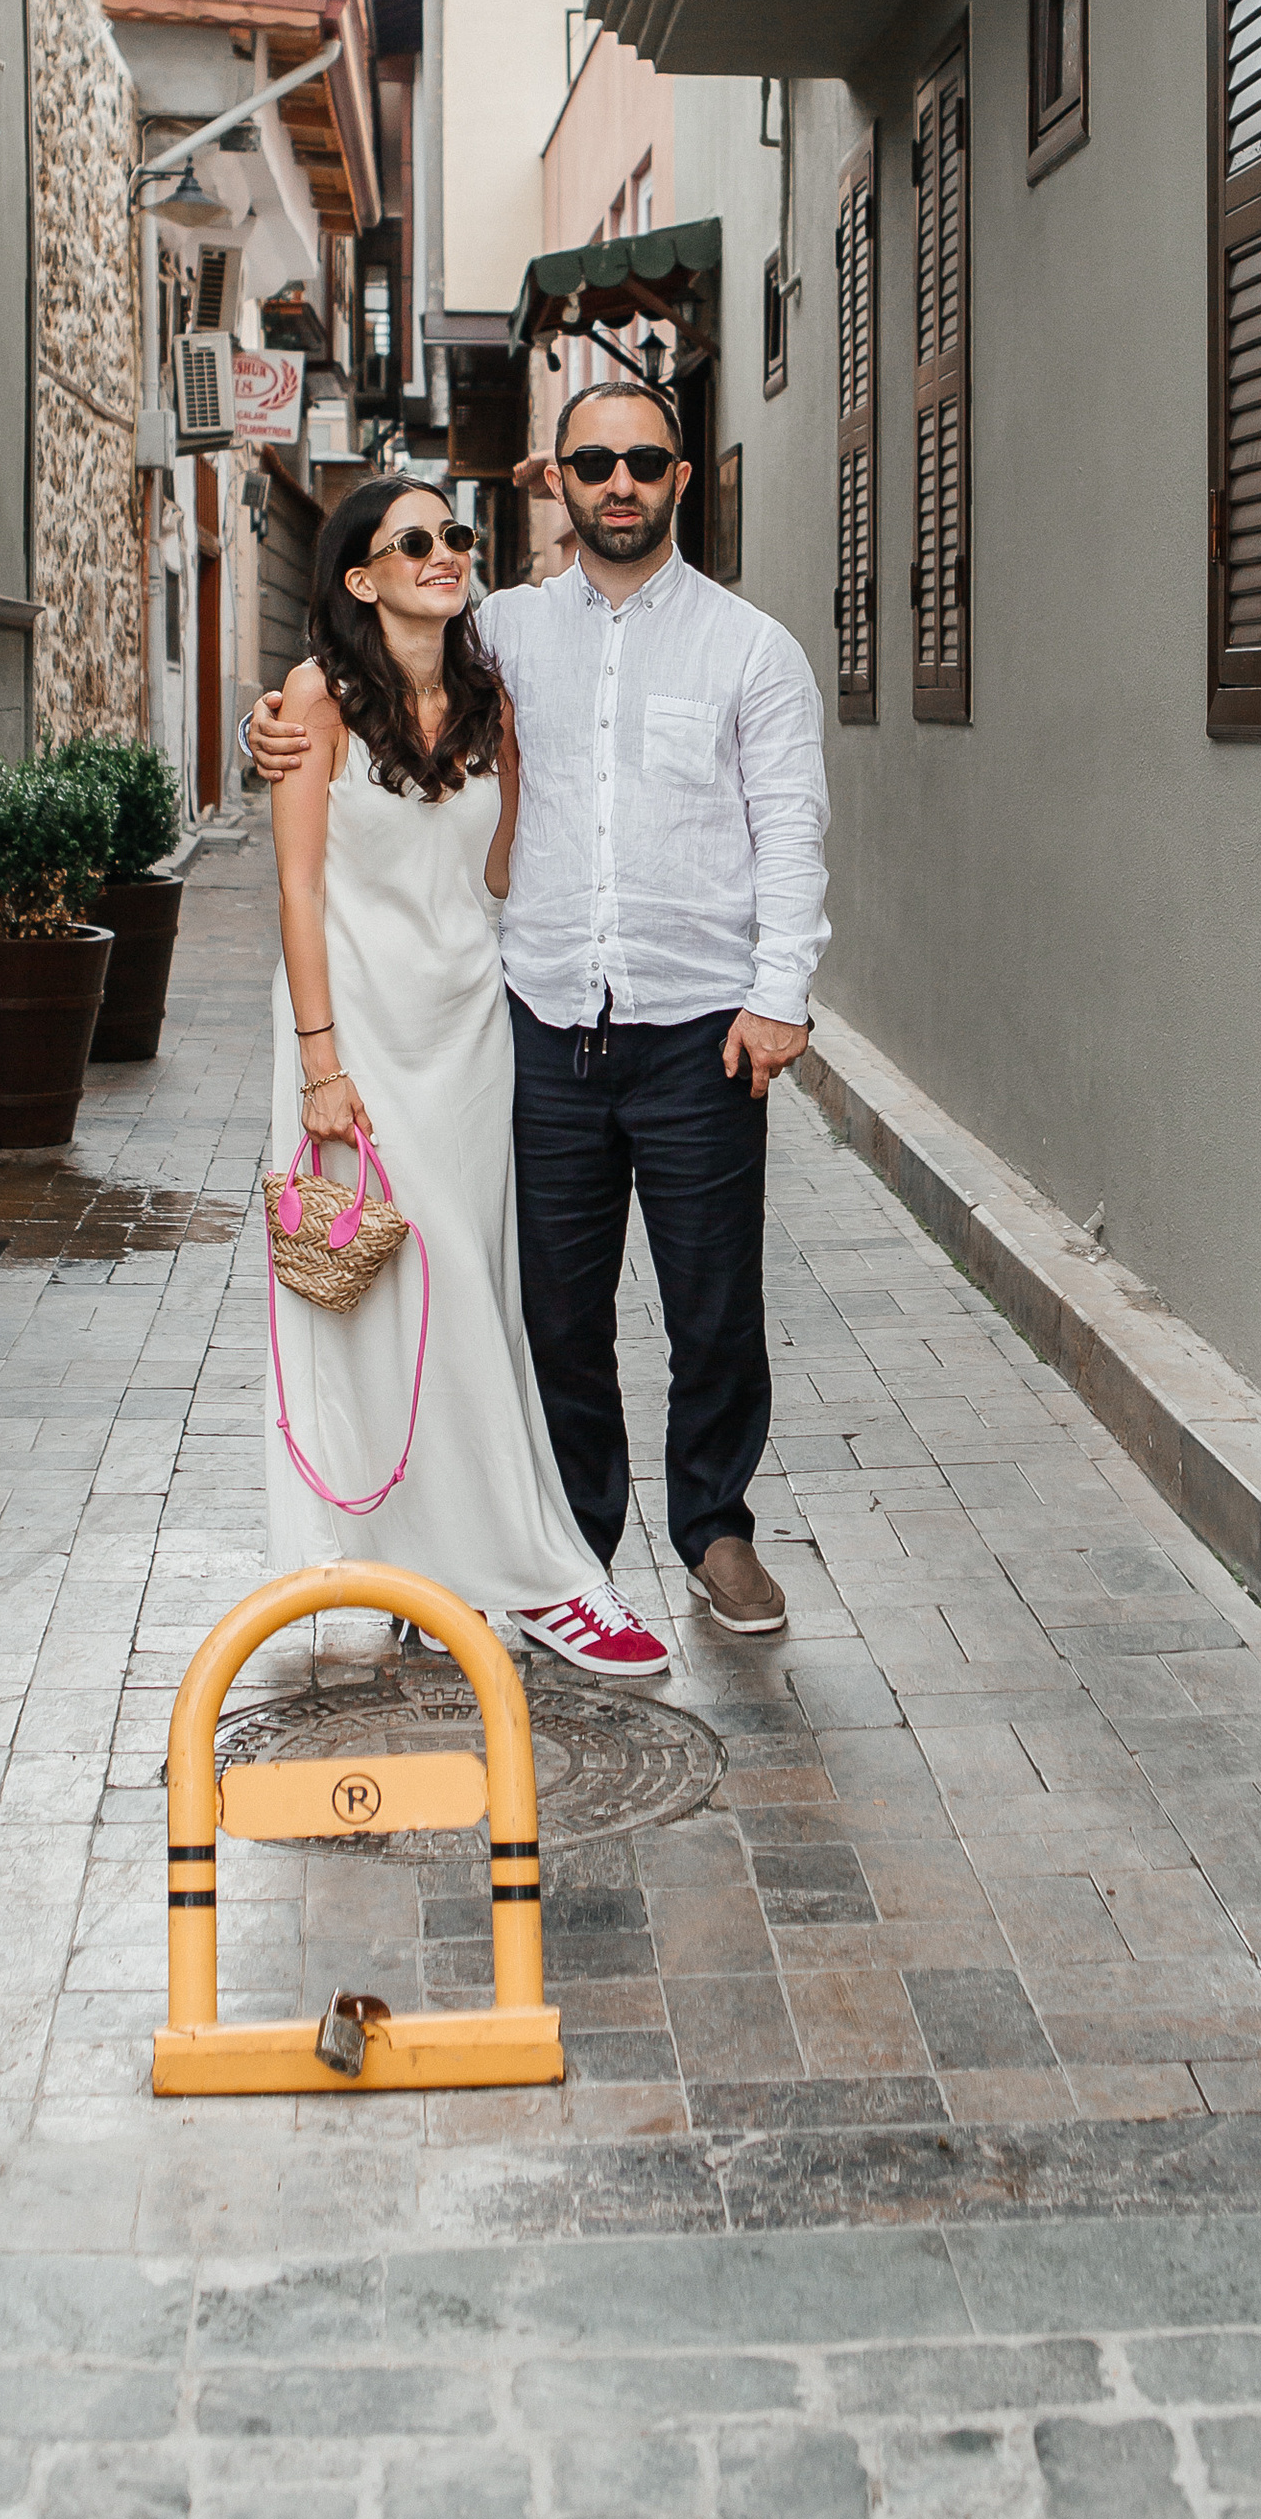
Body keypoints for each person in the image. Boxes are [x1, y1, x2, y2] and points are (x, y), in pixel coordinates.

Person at [252, 380, 830, 1643]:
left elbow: (790, 829)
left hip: (702, 1032)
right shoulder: (499, 631)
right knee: (555, 1316)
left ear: (681, 479)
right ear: (557, 482)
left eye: (644, 461)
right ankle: (570, 1541)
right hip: (540, 1030)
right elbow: (376, 671)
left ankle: (715, 1528)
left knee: (713, 1306)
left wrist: (779, 995)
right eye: (594, 463)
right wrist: (277, 723)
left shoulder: (751, 649)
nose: (620, 483)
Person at [261, 474, 671, 1675]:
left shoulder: (491, 697)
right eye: (414, 541)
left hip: (468, 1029)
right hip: (355, 1034)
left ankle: (455, 1566)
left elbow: (500, 870)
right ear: (360, 577)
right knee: (387, 1296)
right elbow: (297, 888)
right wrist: (319, 1062)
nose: (445, 551)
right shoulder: (316, 698)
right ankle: (531, 1571)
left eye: (454, 534)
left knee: (470, 1291)